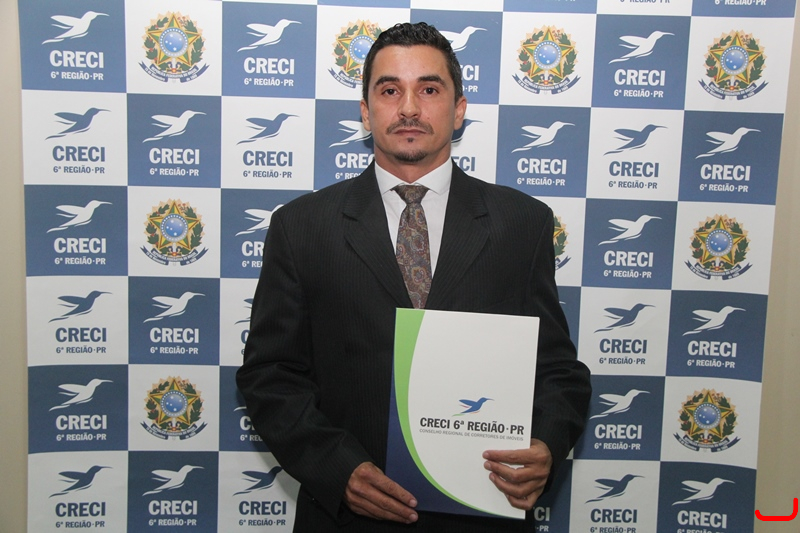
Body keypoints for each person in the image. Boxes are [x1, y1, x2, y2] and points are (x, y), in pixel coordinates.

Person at [237, 21, 591, 532]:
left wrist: (546, 445)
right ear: (366, 112)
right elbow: (270, 375)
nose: (408, 108)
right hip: (350, 519)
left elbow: (557, 370)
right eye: (389, 91)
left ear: (459, 108)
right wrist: (339, 469)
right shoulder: (302, 226)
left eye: (428, 89)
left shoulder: (522, 223)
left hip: (482, 513)